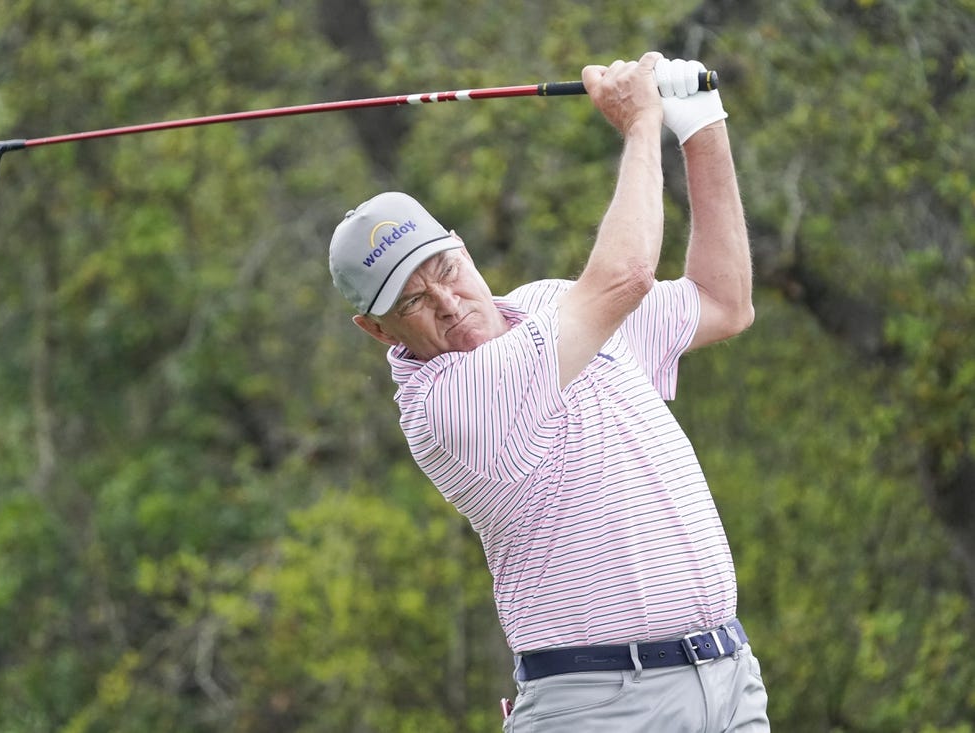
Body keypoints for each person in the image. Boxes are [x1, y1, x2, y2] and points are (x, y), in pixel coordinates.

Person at [328, 51, 768, 732]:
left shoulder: (552, 305)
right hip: (600, 705)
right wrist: (642, 122)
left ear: (464, 247)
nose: (446, 301)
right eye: (413, 299)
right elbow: (623, 278)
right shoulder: (449, 402)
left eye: (445, 268)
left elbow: (725, 301)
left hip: (728, 679)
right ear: (375, 329)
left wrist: (702, 123)